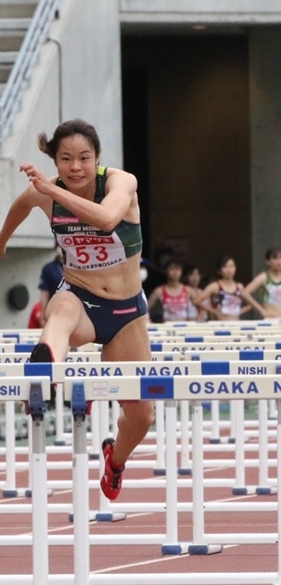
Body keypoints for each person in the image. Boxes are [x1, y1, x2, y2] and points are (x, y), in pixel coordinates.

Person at [0, 118, 159, 500]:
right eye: (66, 159)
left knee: (141, 416)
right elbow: (19, 207)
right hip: (81, 295)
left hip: (125, 313)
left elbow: (105, 219)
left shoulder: (122, 183)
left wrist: (52, 193)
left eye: (83, 158)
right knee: (61, 311)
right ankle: (44, 368)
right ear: (55, 160)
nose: (75, 167)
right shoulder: (44, 192)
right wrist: (2, 243)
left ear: (98, 158)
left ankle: (115, 460)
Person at [195, 255, 265, 320]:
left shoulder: (239, 286)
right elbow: (197, 301)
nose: (229, 270)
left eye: (232, 266)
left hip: (236, 324)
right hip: (221, 325)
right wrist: (214, 311)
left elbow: (251, 303)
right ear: (219, 270)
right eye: (225, 267)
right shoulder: (215, 286)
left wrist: (239, 311)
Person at [245, 248, 281, 318]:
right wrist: (261, 310)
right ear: (268, 262)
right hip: (271, 317)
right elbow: (245, 293)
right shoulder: (263, 278)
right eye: (275, 258)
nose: (279, 262)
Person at [37, 245, 64, 327]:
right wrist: (42, 317)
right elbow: (44, 293)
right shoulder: (49, 268)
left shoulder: (77, 267)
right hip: (54, 309)